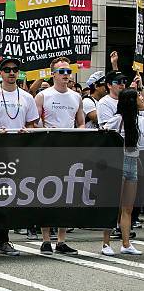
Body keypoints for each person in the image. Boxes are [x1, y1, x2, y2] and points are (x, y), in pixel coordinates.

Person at [0, 57, 39, 257]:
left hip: (17, 153)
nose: (12, 73)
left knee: (9, 197)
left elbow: (32, 124)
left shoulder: (27, 97)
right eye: (7, 70)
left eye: (15, 70)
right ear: (1, 73)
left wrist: (26, 131)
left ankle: (4, 241)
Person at [35, 57, 85, 255]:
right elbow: (33, 123)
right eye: (62, 71)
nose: (66, 75)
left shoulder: (76, 97)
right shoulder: (43, 96)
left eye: (68, 71)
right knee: (46, 192)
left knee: (67, 194)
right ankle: (46, 239)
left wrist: (77, 132)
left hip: (69, 150)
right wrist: (47, 131)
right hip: (47, 150)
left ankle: (62, 240)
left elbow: (81, 122)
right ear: (53, 74)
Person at [102, 89, 143, 255]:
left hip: (133, 162)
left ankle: (126, 243)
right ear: (132, 102)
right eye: (138, 96)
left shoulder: (138, 120)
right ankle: (105, 243)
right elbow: (103, 134)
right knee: (114, 206)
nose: (141, 98)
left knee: (128, 207)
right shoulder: (117, 120)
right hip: (117, 164)